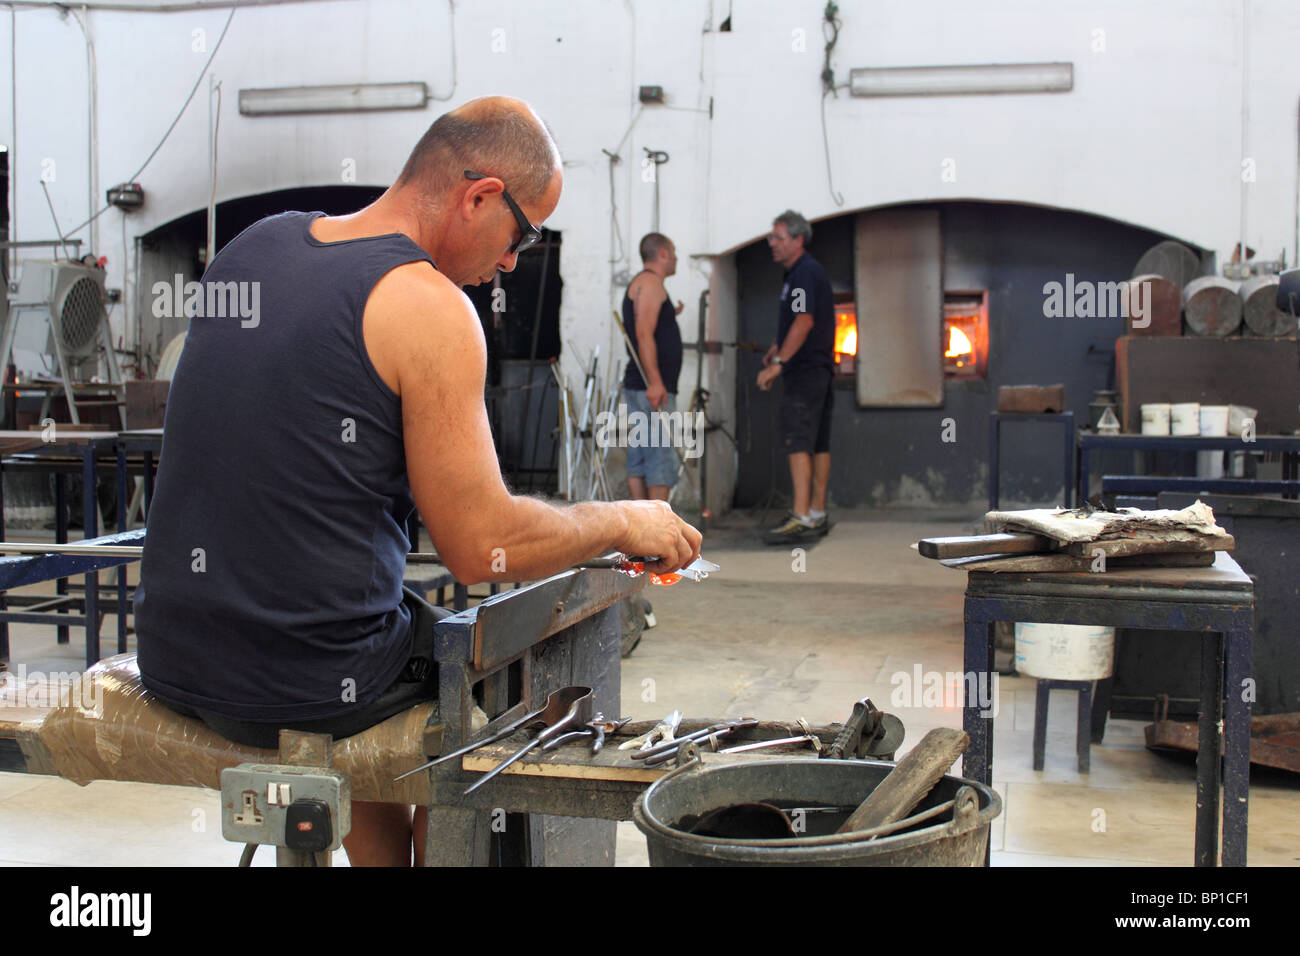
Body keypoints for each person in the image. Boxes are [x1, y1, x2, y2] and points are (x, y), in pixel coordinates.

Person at [134, 96, 702, 866]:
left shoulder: (253, 247)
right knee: (506, 688)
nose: (510, 262)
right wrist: (622, 521)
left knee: (394, 630)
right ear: (480, 195)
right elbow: (484, 548)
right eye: (522, 236)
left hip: (173, 655)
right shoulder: (429, 307)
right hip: (304, 673)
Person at [756, 210, 835, 541]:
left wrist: (780, 364)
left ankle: (801, 516)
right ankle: (816, 512)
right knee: (818, 442)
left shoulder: (803, 273)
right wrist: (778, 346)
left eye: (778, 238)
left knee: (798, 440)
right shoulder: (800, 274)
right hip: (817, 368)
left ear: (798, 240)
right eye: (771, 238)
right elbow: (799, 320)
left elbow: (804, 322)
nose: (772, 244)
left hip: (804, 372)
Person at [622, 233, 684, 501]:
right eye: (673, 251)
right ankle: (657, 537)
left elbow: (649, 327)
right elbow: (644, 333)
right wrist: (656, 381)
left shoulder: (646, 285)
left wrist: (671, 315)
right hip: (650, 387)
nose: (676, 258)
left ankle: (642, 536)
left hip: (641, 385)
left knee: (642, 455)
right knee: (659, 459)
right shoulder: (649, 283)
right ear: (662, 254)